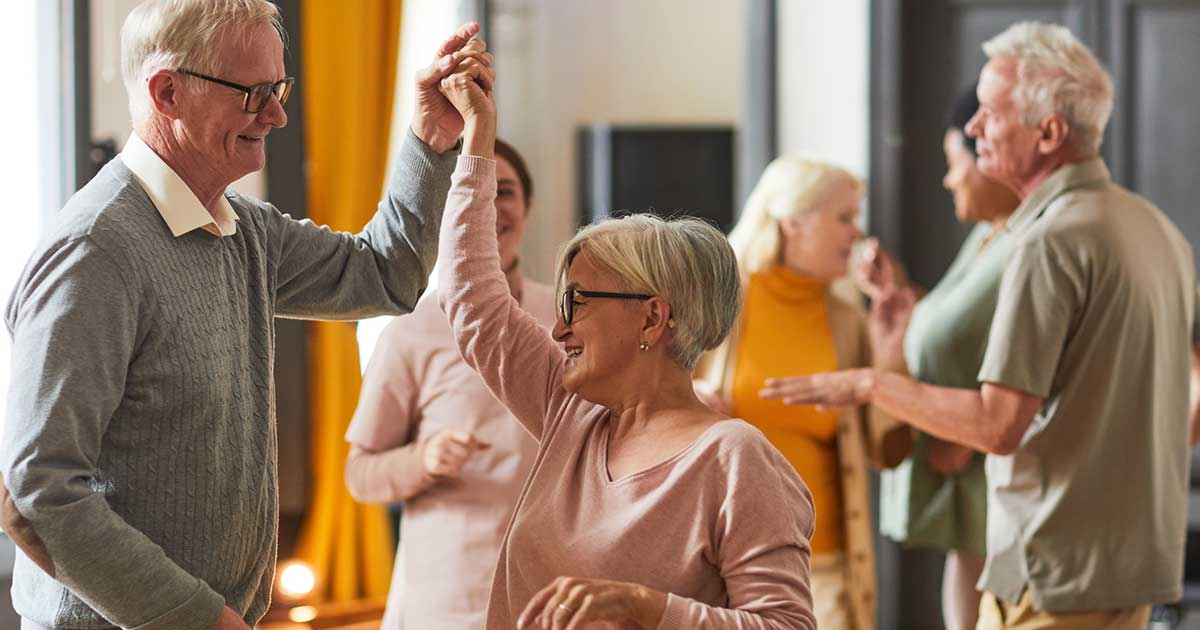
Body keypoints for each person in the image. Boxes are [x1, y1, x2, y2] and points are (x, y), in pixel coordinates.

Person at [0, 0, 492, 627]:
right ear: (167, 92)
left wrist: (431, 139)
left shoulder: (243, 229)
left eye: (280, 88)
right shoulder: (94, 252)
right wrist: (198, 616)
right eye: (255, 94)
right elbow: (37, 495)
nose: (279, 115)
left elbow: (384, 274)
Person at [762, 21, 1199, 630]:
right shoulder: (1157, 229)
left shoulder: (1049, 242)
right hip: (1130, 572)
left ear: (1048, 131)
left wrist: (868, 384)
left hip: (1052, 578)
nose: (972, 129)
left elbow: (998, 427)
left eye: (990, 114)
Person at [433, 54, 818, 629]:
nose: (559, 328)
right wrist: (477, 137)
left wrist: (650, 609)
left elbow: (788, 624)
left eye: (577, 302)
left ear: (652, 319)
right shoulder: (572, 413)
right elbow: (473, 299)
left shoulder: (734, 458)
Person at [343, 138, 555, 629]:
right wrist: (425, 459)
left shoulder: (567, 320)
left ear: (527, 208)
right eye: (471, 190)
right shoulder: (410, 330)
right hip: (447, 596)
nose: (488, 206)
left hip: (552, 592)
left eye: (504, 191)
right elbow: (361, 473)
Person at [693, 155, 909, 630]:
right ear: (792, 220)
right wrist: (689, 403)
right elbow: (642, 407)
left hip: (824, 571)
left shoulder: (848, 320)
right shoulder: (712, 305)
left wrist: (891, 352)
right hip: (724, 566)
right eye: (845, 217)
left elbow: (888, 451)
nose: (858, 234)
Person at [858, 85, 1020, 630]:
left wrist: (966, 435)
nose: (949, 179)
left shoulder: (1027, 246)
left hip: (989, 465)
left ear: (992, 162)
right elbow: (959, 328)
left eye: (955, 163)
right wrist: (905, 297)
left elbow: (1021, 349)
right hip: (964, 483)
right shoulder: (983, 237)